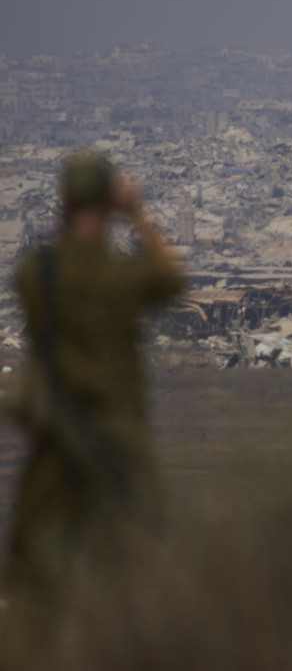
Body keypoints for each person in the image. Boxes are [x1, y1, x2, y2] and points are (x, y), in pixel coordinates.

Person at [1, 149, 184, 607]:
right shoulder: (120, 275)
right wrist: (136, 213)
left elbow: (48, 260)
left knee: (36, 574)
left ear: (63, 203)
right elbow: (170, 279)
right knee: (133, 571)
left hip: (56, 437)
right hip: (116, 439)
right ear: (108, 204)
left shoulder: (34, 275)